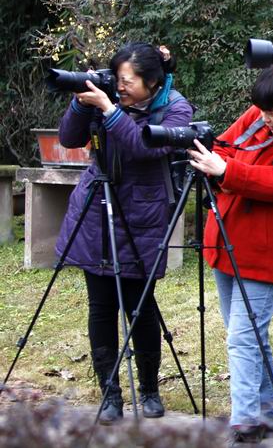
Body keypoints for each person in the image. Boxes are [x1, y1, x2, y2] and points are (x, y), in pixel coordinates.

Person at [55, 42, 193, 424]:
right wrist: (83, 104)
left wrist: (108, 109)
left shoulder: (176, 109)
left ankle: (149, 389)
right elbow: (68, 139)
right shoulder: (108, 100)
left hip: (143, 216)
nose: (120, 86)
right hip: (96, 210)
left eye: (126, 81)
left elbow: (142, 148)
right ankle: (110, 392)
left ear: (152, 81)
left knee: (141, 306)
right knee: (101, 307)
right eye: (116, 80)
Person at [187, 66, 273, 443]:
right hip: (225, 239)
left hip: (263, 249)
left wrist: (227, 170)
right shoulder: (260, 114)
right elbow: (224, 145)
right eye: (260, 110)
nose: (263, 119)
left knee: (242, 338)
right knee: (248, 336)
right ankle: (267, 415)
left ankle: (244, 422)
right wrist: (217, 161)